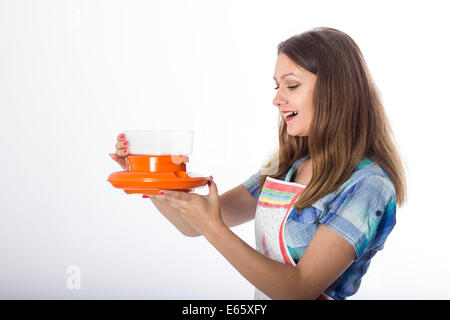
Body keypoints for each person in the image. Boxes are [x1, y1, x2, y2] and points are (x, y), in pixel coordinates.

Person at [109, 27, 406, 300]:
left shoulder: (368, 185)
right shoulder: (285, 166)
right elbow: (192, 225)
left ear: (336, 91)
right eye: (276, 87)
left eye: (291, 86)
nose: (277, 100)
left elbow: (298, 289)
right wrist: (145, 177)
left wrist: (213, 227)